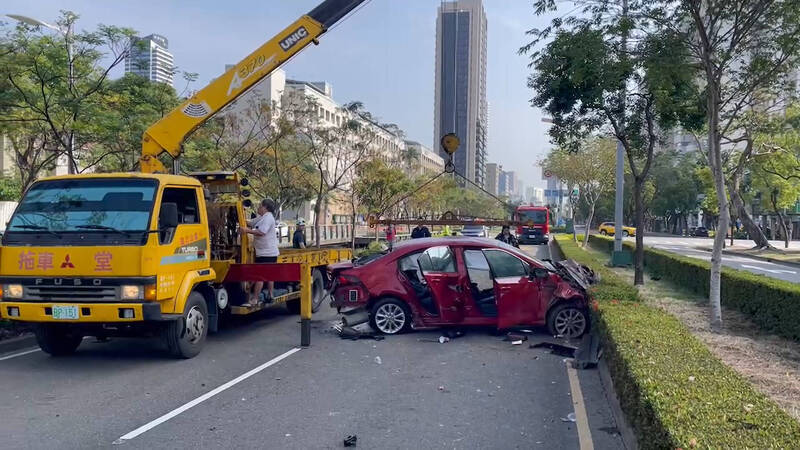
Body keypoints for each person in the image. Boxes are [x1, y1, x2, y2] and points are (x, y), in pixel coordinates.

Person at [240, 199, 279, 305]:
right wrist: (240, 216)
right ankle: (270, 295)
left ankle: (255, 299)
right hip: (266, 252)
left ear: (265, 207)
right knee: (269, 275)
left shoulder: (268, 218)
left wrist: (246, 230)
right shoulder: (262, 217)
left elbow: (261, 232)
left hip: (267, 253)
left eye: (260, 206)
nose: (258, 207)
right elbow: (251, 222)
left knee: (260, 276)